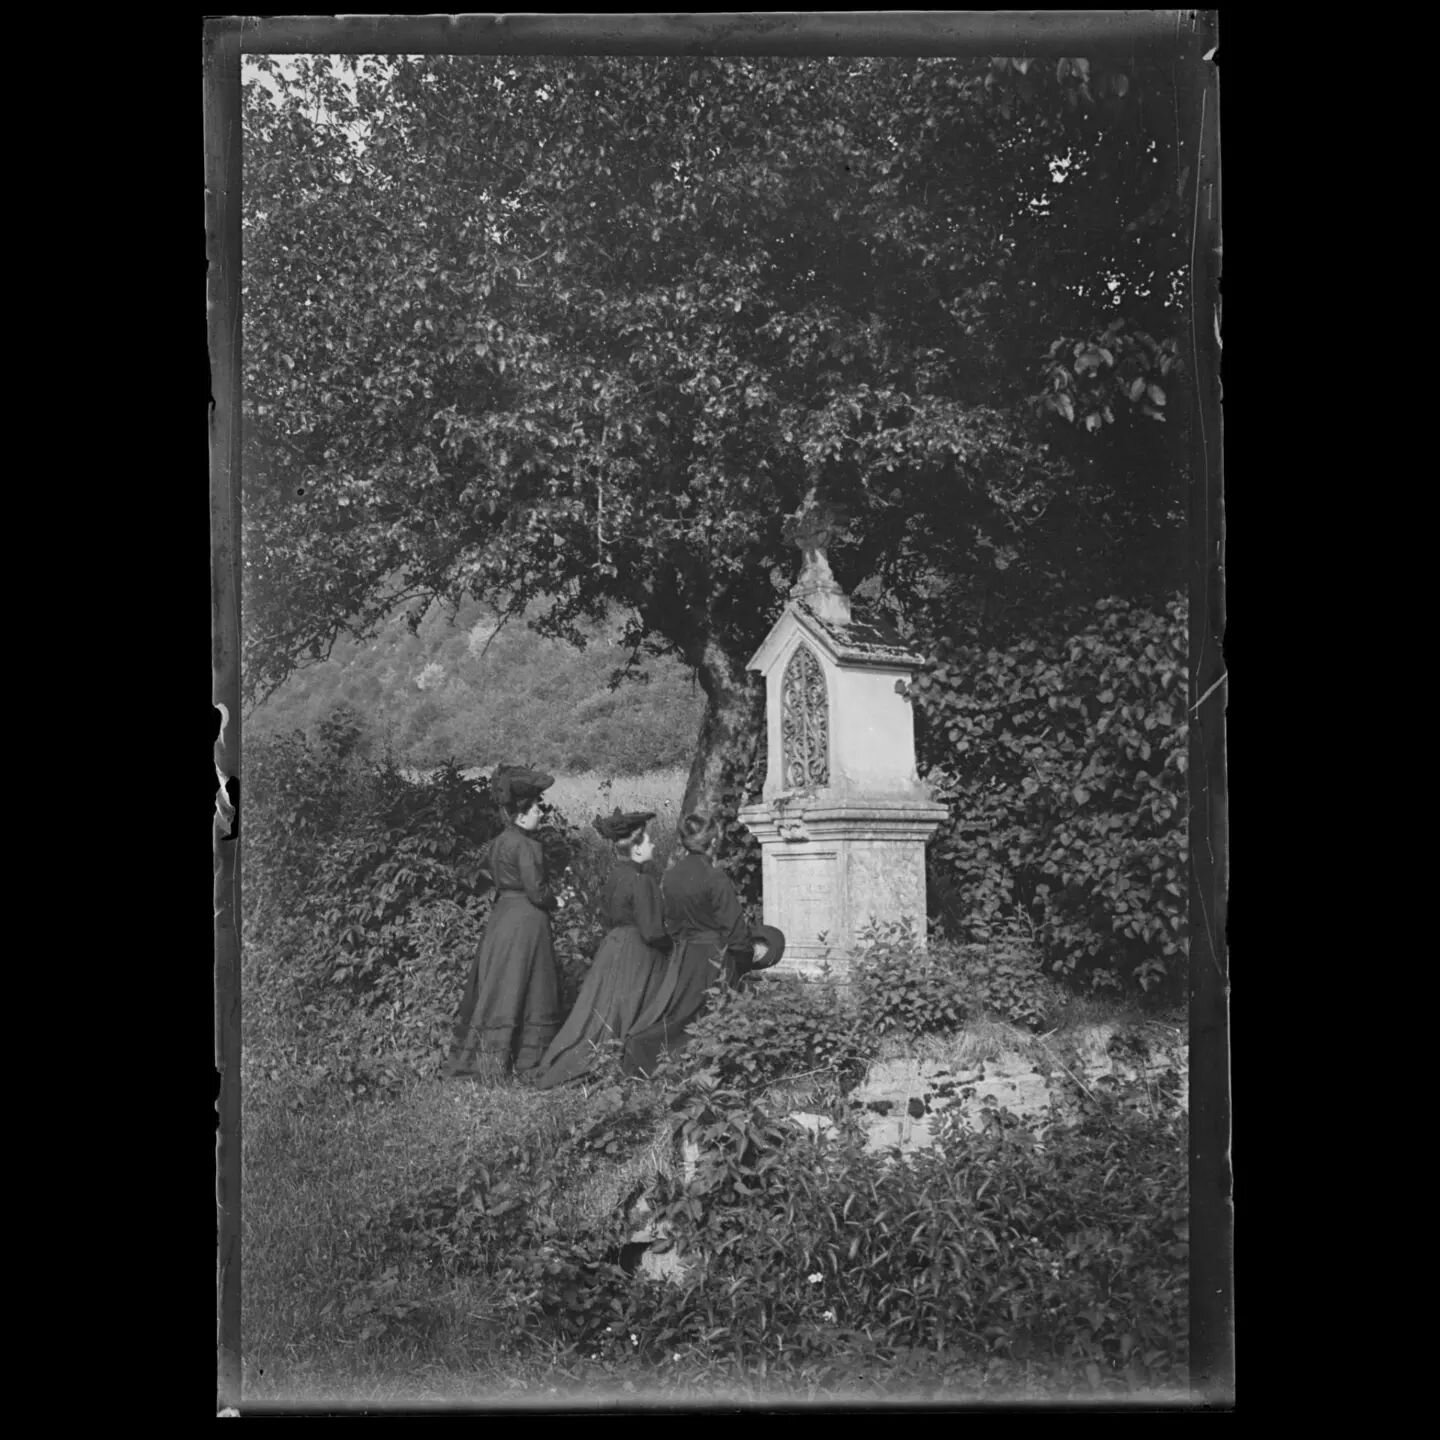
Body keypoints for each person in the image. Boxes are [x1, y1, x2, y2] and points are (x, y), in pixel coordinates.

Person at [621, 811, 786, 1079]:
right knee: (706, 1016)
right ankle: (681, 1064)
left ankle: (659, 1059)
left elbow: (671, 925)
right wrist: (743, 959)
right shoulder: (715, 878)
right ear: (714, 841)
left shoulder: (672, 877)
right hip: (713, 958)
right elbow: (734, 930)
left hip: (684, 956)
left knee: (681, 1013)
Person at [531, 808, 677, 1090]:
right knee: (631, 1009)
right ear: (636, 850)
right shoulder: (642, 880)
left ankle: (589, 1059)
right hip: (638, 951)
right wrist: (671, 945)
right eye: (649, 842)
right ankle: (626, 1064)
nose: (654, 845)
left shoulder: (614, 876)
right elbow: (651, 930)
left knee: (603, 1011)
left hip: (612, 948)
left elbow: (606, 915)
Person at [443, 763, 564, 1081]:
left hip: (501, 920)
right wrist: (558, 900)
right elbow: (537, 892)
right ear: (522, 814)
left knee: (501, 986)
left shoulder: (499, 842)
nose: (541, 812)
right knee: (534, 985)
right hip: (526, 922)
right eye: (537, 806)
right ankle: (526, 1059)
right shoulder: (528, 846)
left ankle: (489, 1058)